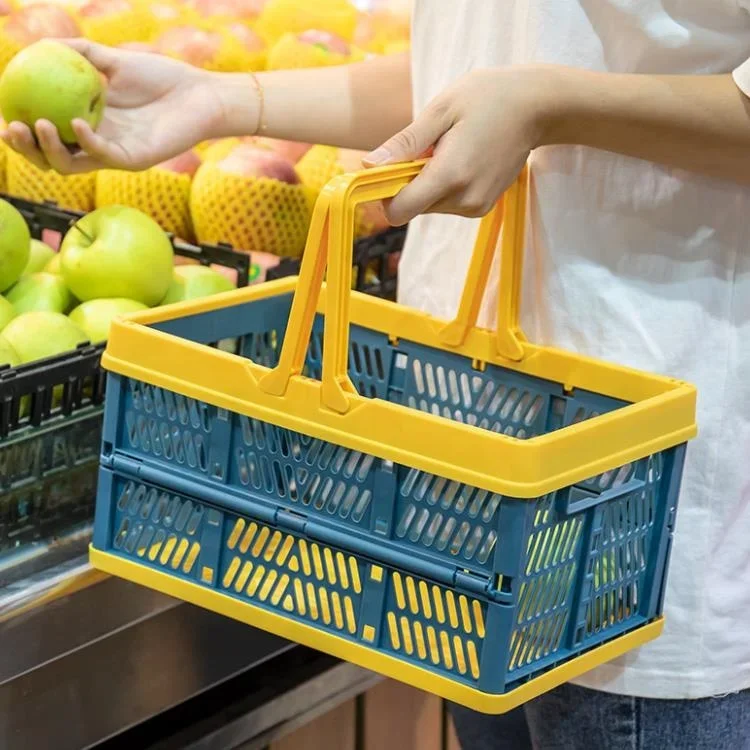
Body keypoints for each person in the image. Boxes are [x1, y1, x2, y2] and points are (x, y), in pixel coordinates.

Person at [5, 1, 750, 747]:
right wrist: (222, 101)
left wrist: (547, 106)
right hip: (460, 494)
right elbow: (467, 69)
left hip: (637, 519)